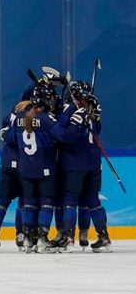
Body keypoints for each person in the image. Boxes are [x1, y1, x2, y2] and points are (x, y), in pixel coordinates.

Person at [4, 84, 79, 253]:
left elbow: (9, 138)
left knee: (28, 204)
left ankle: (28, 240)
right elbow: (63, 135)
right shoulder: (46, 119)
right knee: (46, 203)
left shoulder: (19, 117)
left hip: (25, 169)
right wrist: (69, 112)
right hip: (44, 167)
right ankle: (42, 239)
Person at [57, 81, 112, 252]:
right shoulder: (94, 111)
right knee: (93, 201)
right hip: (94, 164)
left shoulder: (72, 109)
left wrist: (70, 111)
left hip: (75, 163)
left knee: (70, 201)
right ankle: (104, 238)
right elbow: (97, 129)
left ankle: (68, 239)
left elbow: (62, 133)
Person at [0, 94, 30, 253]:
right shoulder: (30, 115)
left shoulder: (12, 115)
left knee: (1, 202)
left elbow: (5, 134)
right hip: (24, 164)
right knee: (24, 203)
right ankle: (21, 235)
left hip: (7, 164)